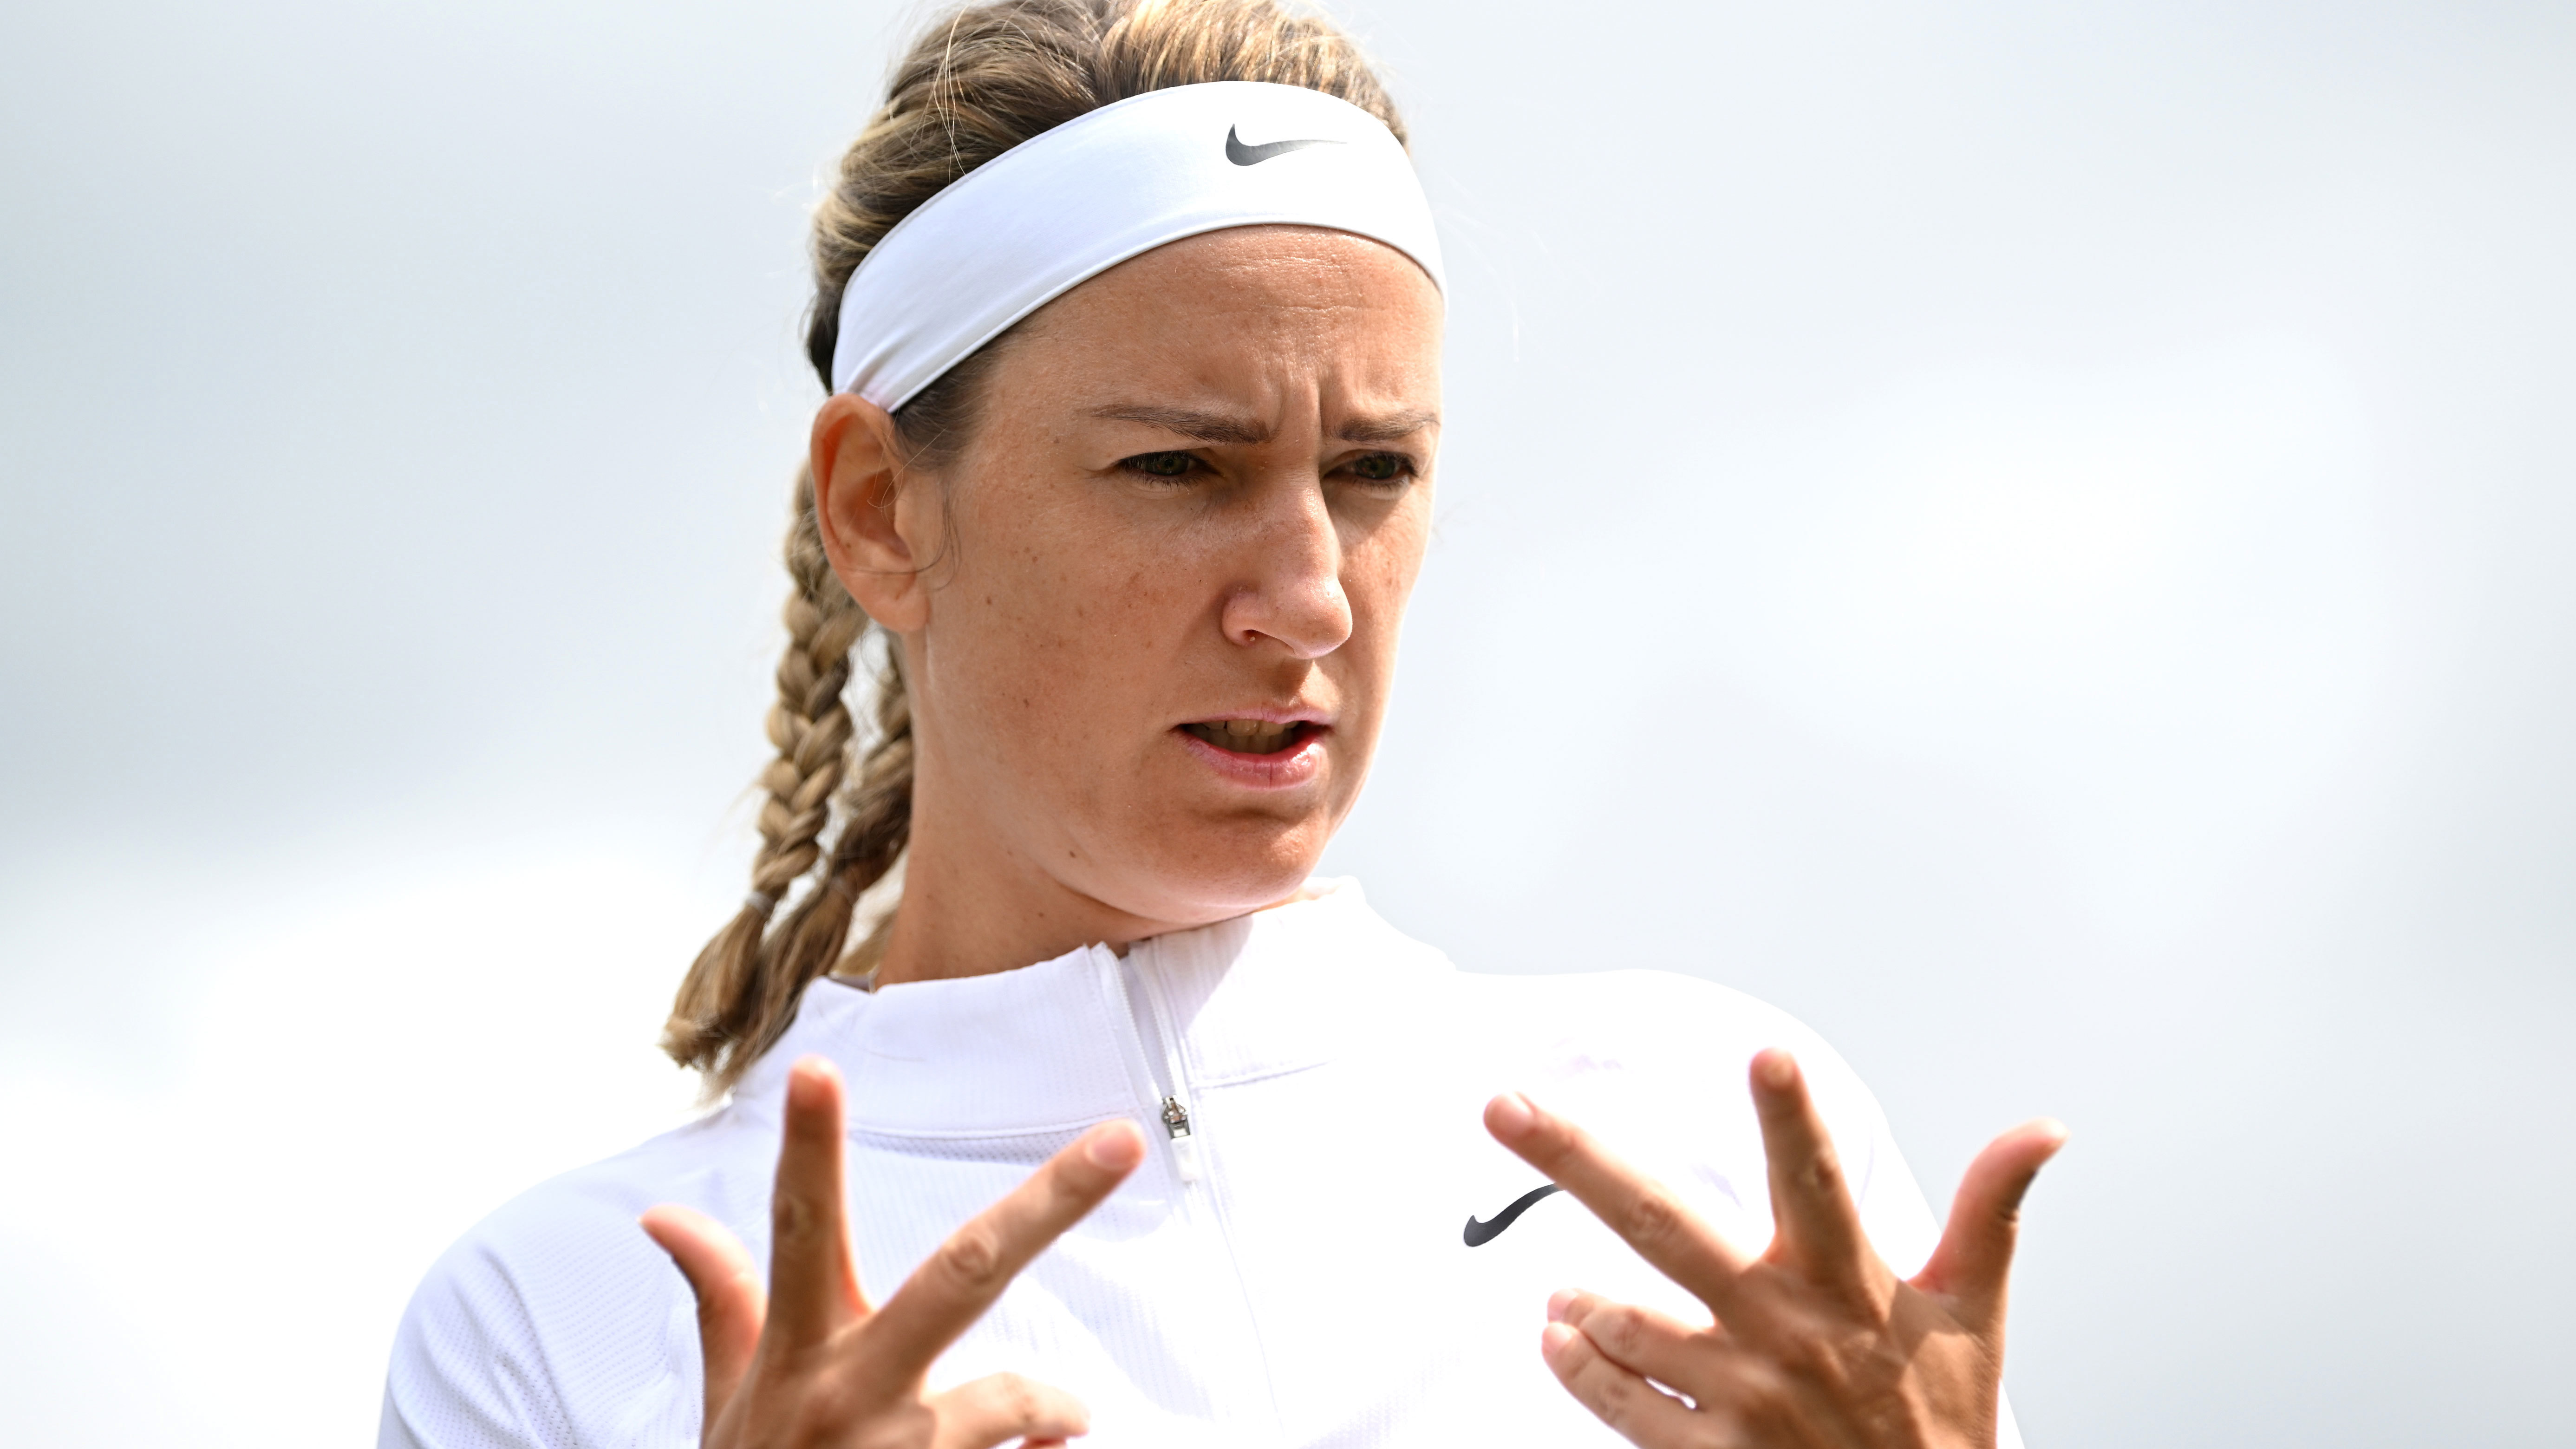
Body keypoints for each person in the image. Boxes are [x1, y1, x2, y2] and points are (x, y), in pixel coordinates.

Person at [379, 2, 2067, 1445]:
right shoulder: (568, 1311)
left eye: (1373, 472)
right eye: (1179, 467)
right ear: (885, 508)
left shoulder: (1711, 1138)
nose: (1313, 597)